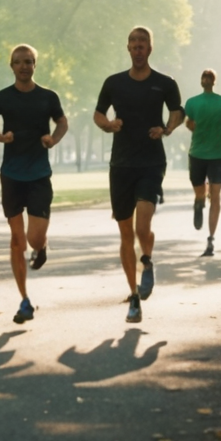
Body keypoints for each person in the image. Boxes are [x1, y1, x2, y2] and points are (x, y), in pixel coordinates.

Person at [94, 27, 185, 323]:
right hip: (120, 165)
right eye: (133, 42)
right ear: (128, 48)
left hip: (150, 163)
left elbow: (177, 111)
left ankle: (147, 262)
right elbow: (98, 114)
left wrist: (167, 129)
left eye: (142, 43)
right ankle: (134, 296)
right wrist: (108, 124)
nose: (137, 47)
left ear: (150, 48)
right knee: (124, 234)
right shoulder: (114, 83)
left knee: (142, 227)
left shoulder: (164, 83)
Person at [0, 44, 68, 324]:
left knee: (33, 239)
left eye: (28, 62)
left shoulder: (48, 97)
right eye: (18, 62)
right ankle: (24, 301)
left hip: (39, 175)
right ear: (11, 66)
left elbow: (62, 122)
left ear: (35, 64)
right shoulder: (2, 98)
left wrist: (53, 139)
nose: (24, 66)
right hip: (12, 176)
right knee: (18, 241)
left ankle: (42, 247)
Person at [181, 69, 221, 257]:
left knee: (201, 192)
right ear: (214, 82)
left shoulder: (192, 102)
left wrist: (198, 129)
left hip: (197, 153)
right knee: (215, 196)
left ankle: (199, 203)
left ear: (202, 82)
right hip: (216, 155)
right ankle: (211, 239)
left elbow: (188, 122)